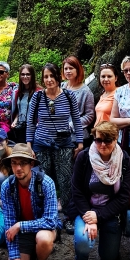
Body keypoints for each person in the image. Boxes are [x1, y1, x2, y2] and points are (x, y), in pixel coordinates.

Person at [66, 121, 130, 260]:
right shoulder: (84, 157)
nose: (102, 144)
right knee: (84, 241)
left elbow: (124, 197)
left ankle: (110, 247)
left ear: (116, 139)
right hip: (86, 210)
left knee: (109, 259)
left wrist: (99, 215)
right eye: (98, 140)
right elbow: (76, 190)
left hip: (110, 212)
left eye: (108, 140)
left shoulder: (125, 161)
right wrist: (89, 217)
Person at [26, 63, 82, 231]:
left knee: (66, 182)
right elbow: (30, 122)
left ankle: (69, 217)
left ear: (58, 77)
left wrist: (79, 142)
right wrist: (29, 145)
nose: (49, 79)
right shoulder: (37, 97)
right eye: (46, 76)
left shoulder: (69, 96)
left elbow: (76, 119)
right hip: (41, 144)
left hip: (63, 144)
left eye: (52, 76)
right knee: (43, 181)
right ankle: (46, 216)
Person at [0, 143, 59, 260]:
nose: (18, 168)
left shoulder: (46, 183)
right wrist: (14, 257)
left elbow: (51, 220)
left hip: (43, 230)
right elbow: (9, 223)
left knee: (43, 238)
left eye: (23, 163)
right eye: (14, 163)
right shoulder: (7, 186)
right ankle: (30, 254)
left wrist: (20, 225)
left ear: (31, 164)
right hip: (22, 234)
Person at [61, 56, 95, 147]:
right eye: (66, 69)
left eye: (71, 68)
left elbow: (89, 116)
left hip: (77, 138)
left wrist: (71, 125)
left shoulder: (86, 91)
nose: (68, 71)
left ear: (78, 70)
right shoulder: (61, 87)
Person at [10, 64, 42, 144]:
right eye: (23, 74)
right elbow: (19, 110)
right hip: (20, 128)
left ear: (32, 76)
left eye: (28, 74)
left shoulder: (39, 92)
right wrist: (15, 120)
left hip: (34, 129)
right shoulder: (18, 92)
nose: (25, 77)